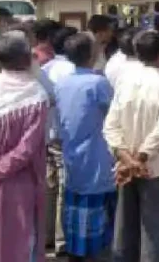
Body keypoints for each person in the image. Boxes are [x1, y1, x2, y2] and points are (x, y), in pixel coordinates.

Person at [103, 30, 159, 262]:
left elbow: (110, 125)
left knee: (126, 229)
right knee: (155, 232)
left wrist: (127, 158)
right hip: (153, 165)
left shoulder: (125, 80)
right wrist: (139, 159)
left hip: (128, 165)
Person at [0, 31, 51, 262]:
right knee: (19, 246)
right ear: (27, 57)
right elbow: (27, 150)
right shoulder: (36, 95)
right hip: (20, 184)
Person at [55, 33, 116, 261]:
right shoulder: (97, 82)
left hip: (72, 155)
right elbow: (114, 113)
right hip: (96, 157)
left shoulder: (62, 83)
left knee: (74, 206)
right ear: (92, 54)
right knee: (100, 222)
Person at [42, 25, 77, 256]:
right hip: (65, 137)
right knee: (64, 186)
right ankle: (61, 239)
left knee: (49, 186)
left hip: (47, 136)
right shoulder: (72, 70)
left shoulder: (45, 69)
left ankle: (46, 236)